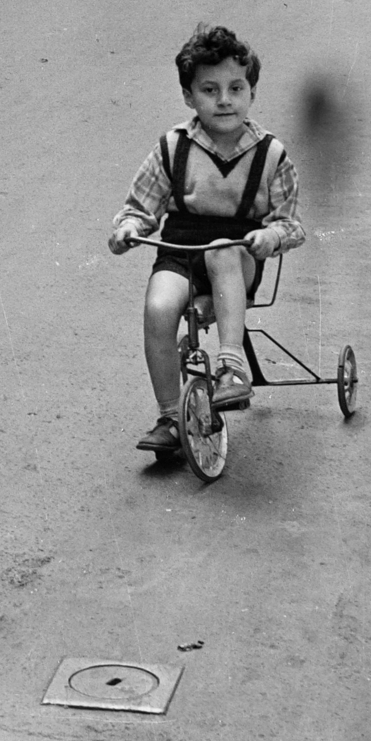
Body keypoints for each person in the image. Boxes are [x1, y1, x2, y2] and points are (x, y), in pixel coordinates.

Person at [108, 23, 305, 454]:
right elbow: (139, 208)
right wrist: (128, 229)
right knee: (159, 307)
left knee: (221, 253)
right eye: (209, 90)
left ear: (252, 92)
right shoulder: (173, 148)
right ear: (188, 97)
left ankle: (232, 369)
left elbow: (292, 223)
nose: (224, 100)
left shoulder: (270, 154)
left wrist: (270, 236)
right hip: (180, 253)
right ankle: (169, 416)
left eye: (236, 88)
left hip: (238, 257)